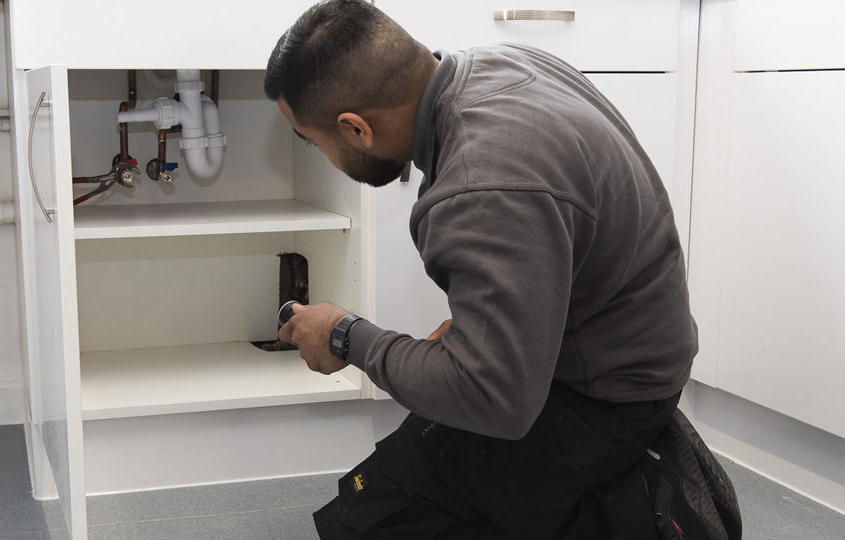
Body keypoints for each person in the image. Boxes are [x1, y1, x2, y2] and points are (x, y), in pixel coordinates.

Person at [265, 1, 712, 538]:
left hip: (604, 395)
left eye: (316, 143)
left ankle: (630, 513)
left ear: (358, 129)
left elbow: (494, 402)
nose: (323, 155)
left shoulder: (482, 185)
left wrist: (345, 335)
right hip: (613, 343)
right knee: (372, 492)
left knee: (372, 526)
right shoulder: (497, 63)